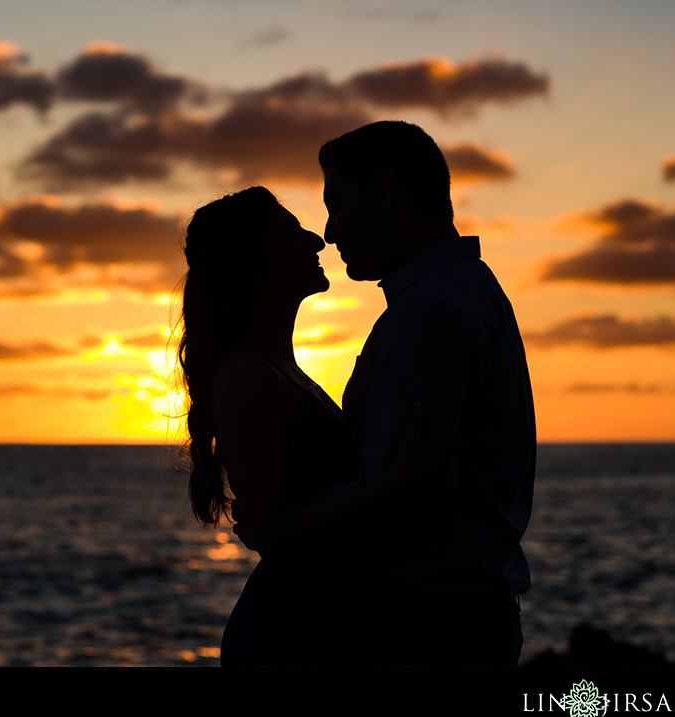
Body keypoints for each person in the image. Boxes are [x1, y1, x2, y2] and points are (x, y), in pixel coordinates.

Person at [177, 185, 463, 666]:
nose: (316, 240)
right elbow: (272, 532)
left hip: (322, 622)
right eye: (291, 237)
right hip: (290, 633)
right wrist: (398, 488)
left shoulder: (278, 367)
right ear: (257, 271)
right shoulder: (246, 376)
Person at [317, 120, 536, 665]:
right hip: (460, 618)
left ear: (386, 191)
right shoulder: (467, 292)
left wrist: (272, 520)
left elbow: (389, 505)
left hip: (426, 629)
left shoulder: (429, 315)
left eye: (337, 204)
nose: (329, 232)